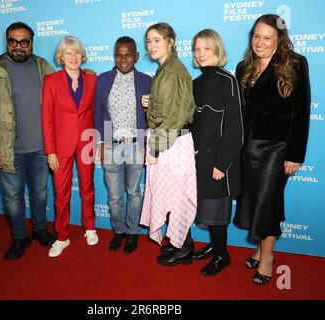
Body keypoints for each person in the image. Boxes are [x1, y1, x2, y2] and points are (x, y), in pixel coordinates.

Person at [233, 14, 311, 284]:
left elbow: (301, 113)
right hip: (248, 148)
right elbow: (240, 112)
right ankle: (259, 249)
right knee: (254, 203)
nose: (260, 42)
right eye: (256, 36)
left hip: (278, 149)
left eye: (267, 37)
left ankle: (267, 258)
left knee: (267, 203)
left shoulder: (296, 64)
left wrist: (295, 155)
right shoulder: (243, 67)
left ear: (280, 40)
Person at [0, 22, 56, 259]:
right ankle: (19, 238)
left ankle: (40, 230)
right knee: (13, 197)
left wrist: (86, 74)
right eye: (13, 41)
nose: (18, 46)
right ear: (7, 42)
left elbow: (63, 90)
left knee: (40, 192)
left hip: (42, 148)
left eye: (24, 41)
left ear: (31, 43)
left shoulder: (43, 67)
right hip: (9, 150)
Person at [140, 23, 197, 266]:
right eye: (148, 41)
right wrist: (151, 103)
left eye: (156, 40)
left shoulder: (171, 71)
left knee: (176, 197)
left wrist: (154, 148)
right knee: (175, 197)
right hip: (170, 141)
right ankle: (181, 245)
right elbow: (172, 106)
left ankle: (183, 249)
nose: (151, 46)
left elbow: (174, 117)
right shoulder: (167, 69)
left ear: (170, 42)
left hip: (171, 143)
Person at [191, 29, 243, 275]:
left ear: (217, 50)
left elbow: (235, 129)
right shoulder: (196, 83)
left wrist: (222, 164)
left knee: (216, 209)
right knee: (207, 209)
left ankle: (223, 255)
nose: (201, 54)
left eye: (206, 49)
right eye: (197, 49)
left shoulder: (227, 80)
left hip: (218, 162)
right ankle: (214, 247)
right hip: (199, 159)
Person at [42, 36, 98, 257]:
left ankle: (90, 227)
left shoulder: (93, 79)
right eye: (68, 53)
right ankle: (62, 236)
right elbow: (46, 118)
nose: (73, 57)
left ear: (82, 56)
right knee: (62, 193)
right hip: (60, 145)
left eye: (76, 53)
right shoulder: (51, 81)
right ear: (60, 56)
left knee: (87, 188)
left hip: (87, 141)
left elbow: (98, 110)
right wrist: (50, 151)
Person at [94, 36, 151, 254]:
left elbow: (150, 116)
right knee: (114, 196)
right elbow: (98, 112)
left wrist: (147, 142)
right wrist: (101, 142)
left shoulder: (147, 80)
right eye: (119, 54)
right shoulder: (103, 79)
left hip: (137, 145)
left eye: (128, 54)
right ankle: (118, 231)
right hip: (111, 145)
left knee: (134, 192)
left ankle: (133, 232)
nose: (123, 59)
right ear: (114, 56)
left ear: (136, 56)